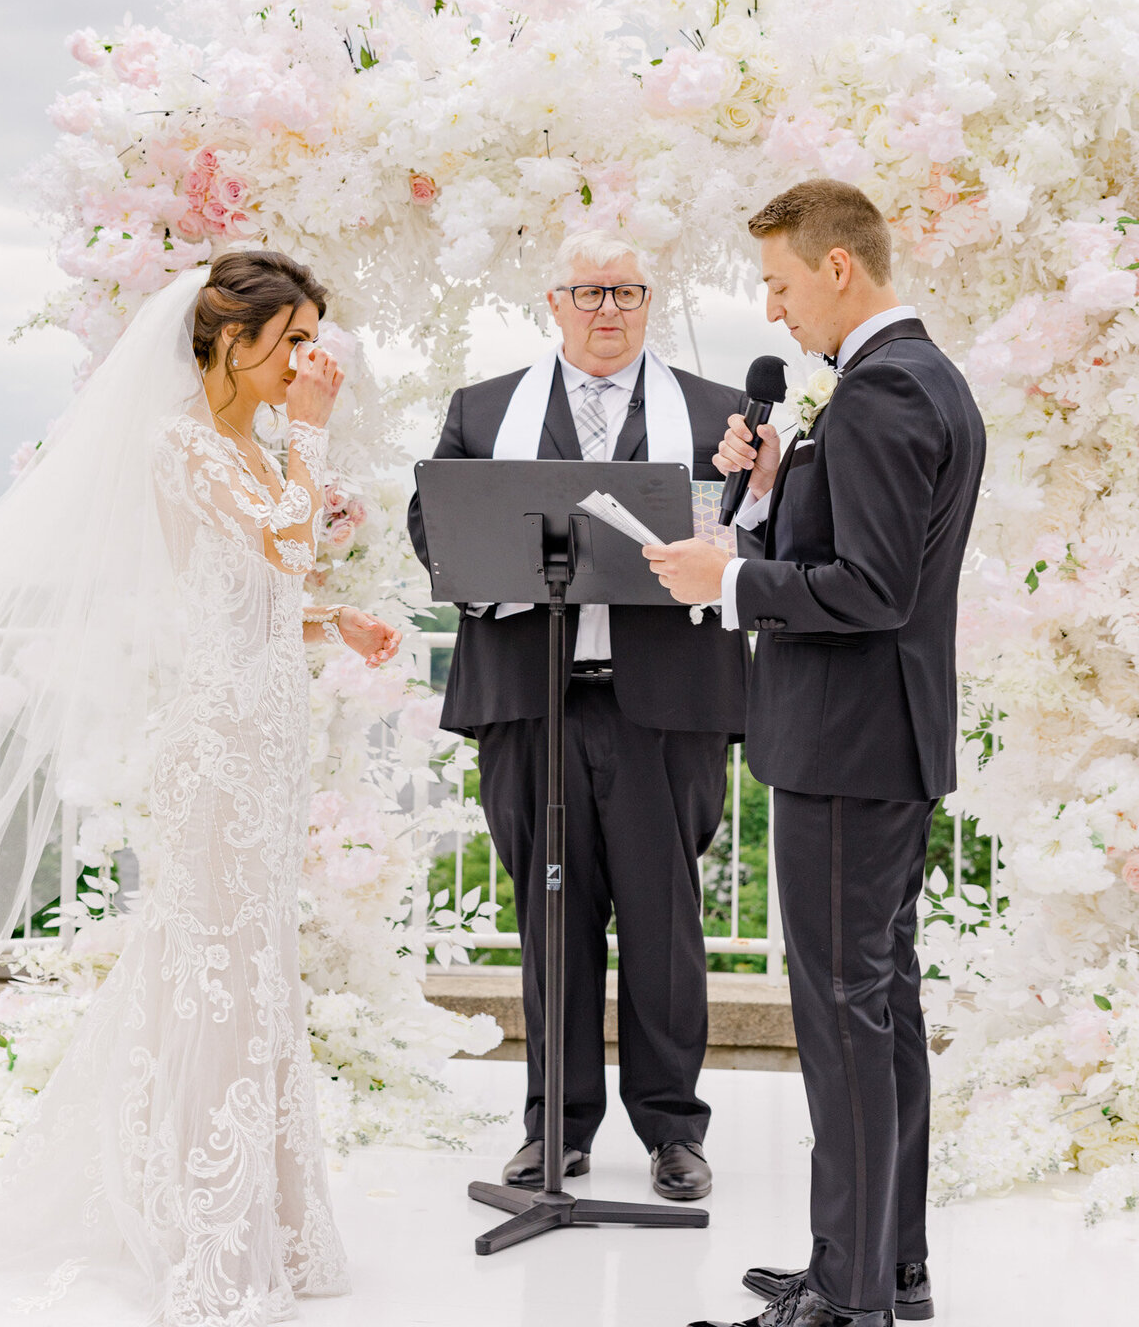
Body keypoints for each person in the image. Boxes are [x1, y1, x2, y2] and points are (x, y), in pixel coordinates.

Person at [0, 251, 401, 1325]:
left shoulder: (257, 443)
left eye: (314, 338)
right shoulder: (184, 442)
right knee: (215, 968)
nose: (309, 359)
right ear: (230, 341)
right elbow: (282, 535)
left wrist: (341, 620)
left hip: (271, 728)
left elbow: (262, 585)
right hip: (220, 738)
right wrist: (320, 433)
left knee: (251, 966)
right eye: (293, 339)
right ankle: (207, 1223)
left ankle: (269, 1215)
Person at [644, 181, 985, 1327]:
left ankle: (848, 1297)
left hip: (847, 747)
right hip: (879, 742)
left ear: (840, 268)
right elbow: (863, 550)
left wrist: (728, 578)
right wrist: (775, 488)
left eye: (781, 284)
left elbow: (873, 590)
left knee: (844, 1019)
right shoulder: (918, 379)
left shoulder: (886, 391)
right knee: (877, 1008)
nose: (775, 310)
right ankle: (888, 1263)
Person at [408, 229, 751, 1201]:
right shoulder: (482, 411)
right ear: (552, 303)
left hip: (665, 705)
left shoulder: (719, 415)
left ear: (649, 302)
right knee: (548, 917)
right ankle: (551, 1129)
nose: (610, 309)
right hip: (531, 699)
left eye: (629, 291)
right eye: (590, 291)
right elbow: (433, 522)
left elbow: (758, 525)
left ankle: (672, 1130)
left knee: (664, 921)